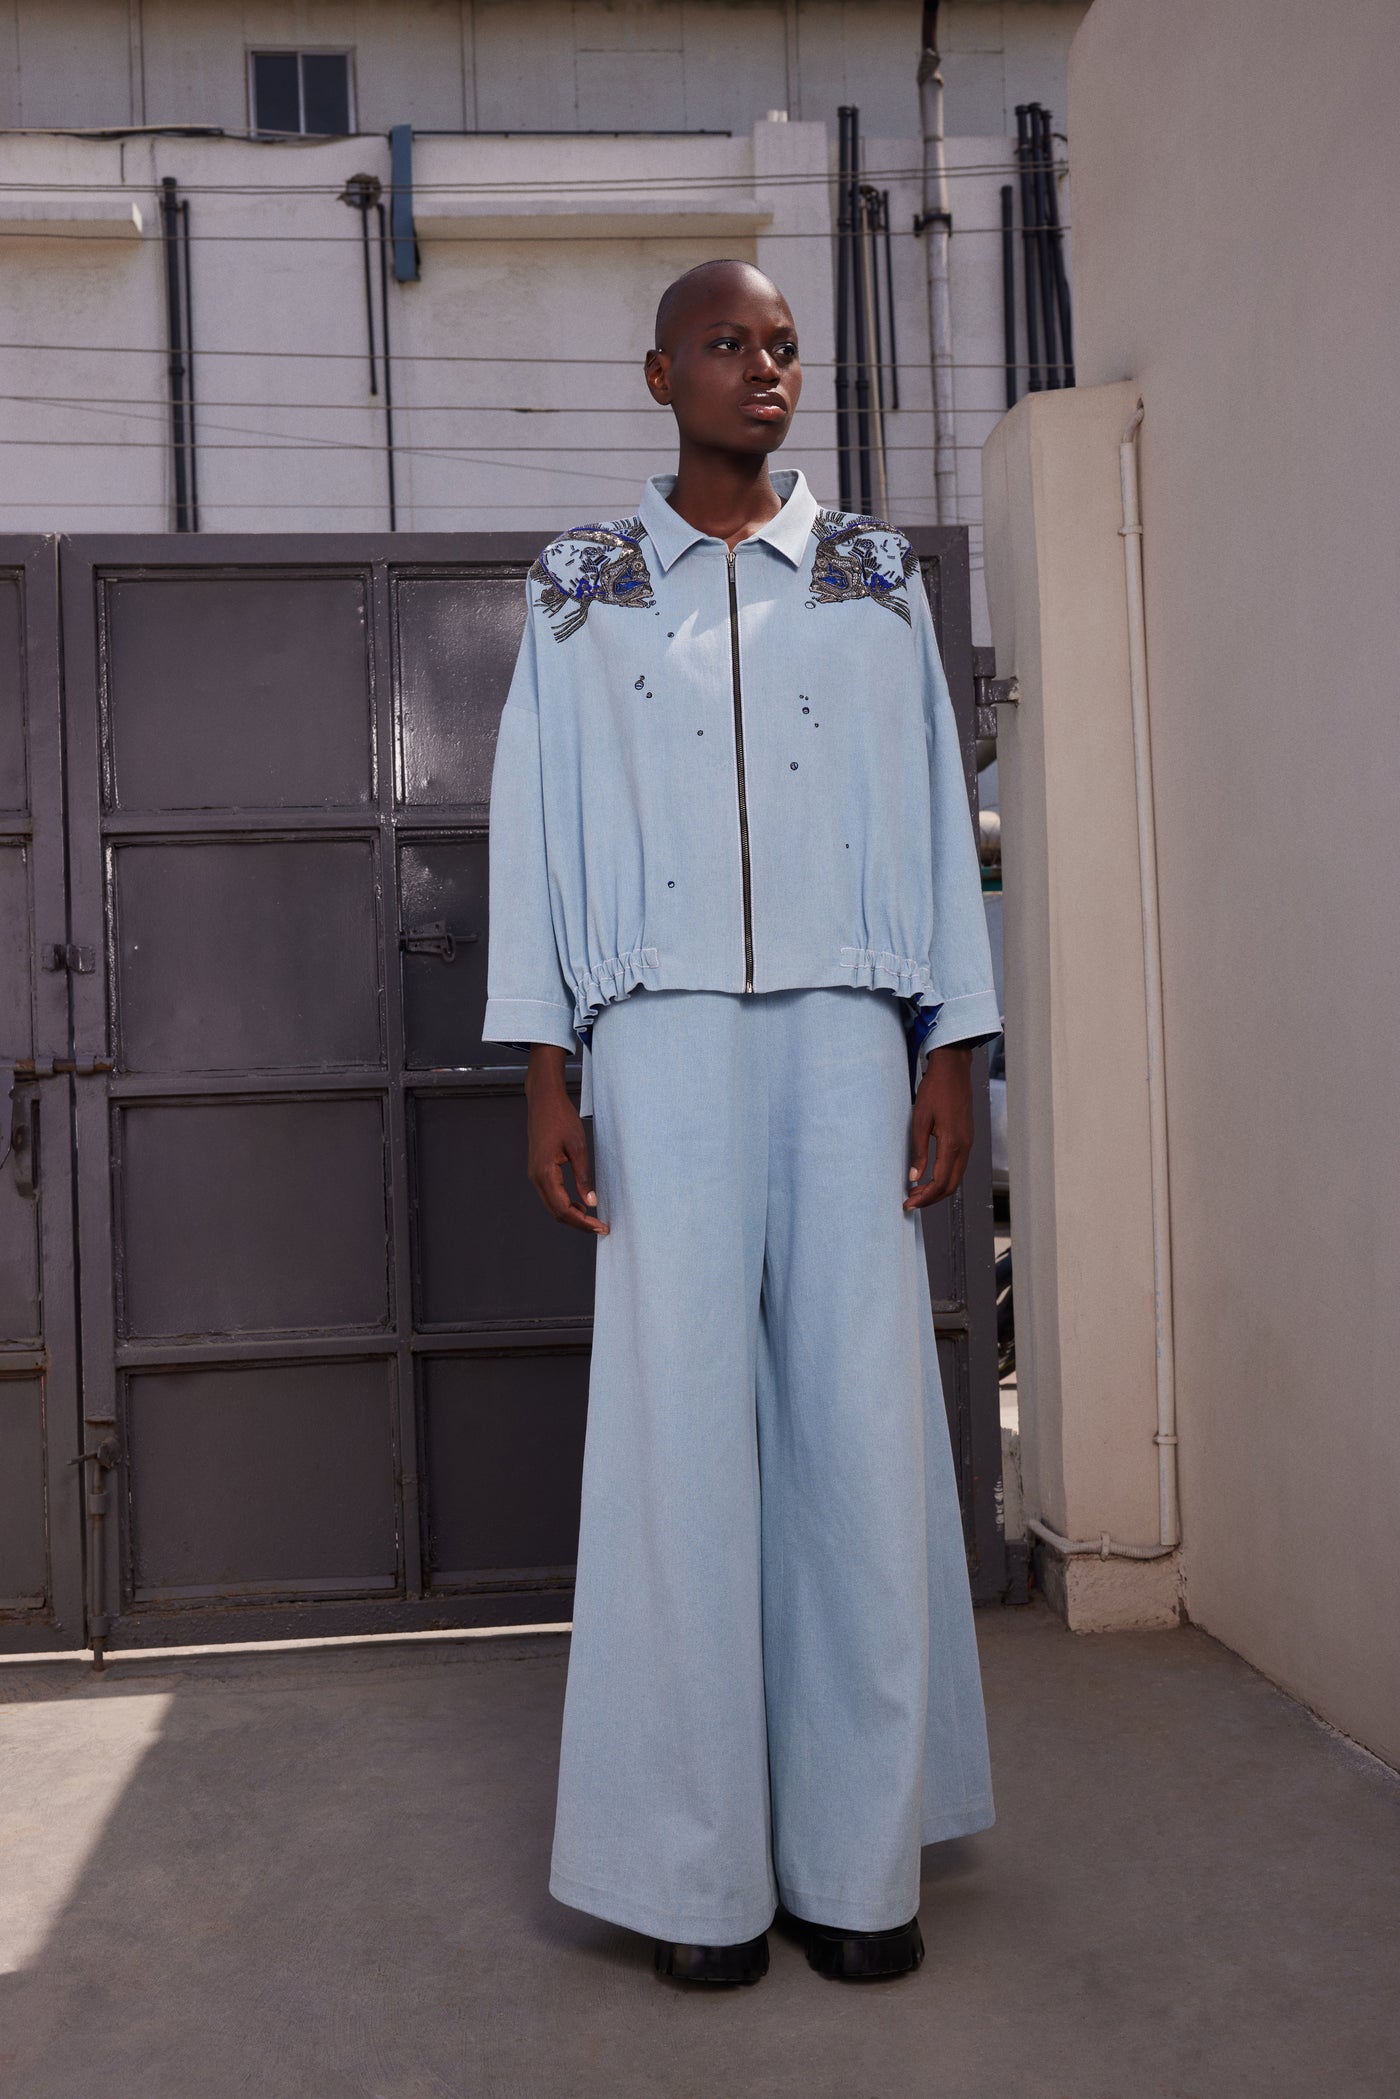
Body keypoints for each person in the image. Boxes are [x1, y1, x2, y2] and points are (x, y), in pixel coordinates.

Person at [482, 259, 999, 1987]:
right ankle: (697, 1884)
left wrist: (952, 1041)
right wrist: (547, 1067)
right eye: (728, 344)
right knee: (679, 1441)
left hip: (853, 1034)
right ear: (661, 375)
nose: (764, 367)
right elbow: (532, 829)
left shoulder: (874, 578)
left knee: (862, 1436)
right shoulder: (580, 588)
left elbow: (933, 804)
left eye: (783, 346)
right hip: (660, 1039)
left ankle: (859, 1866)